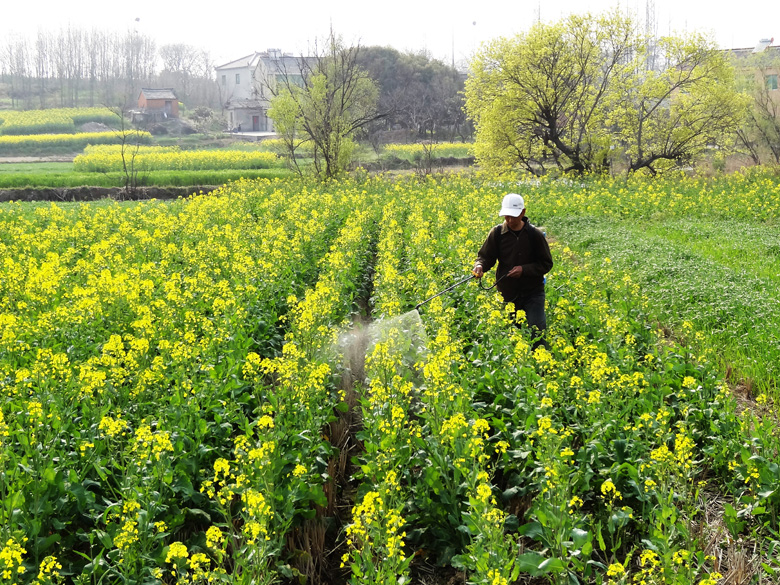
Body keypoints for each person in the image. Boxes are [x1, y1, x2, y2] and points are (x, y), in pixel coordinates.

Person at [472, 193, 553, 345]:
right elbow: (485, 256)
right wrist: (479, 266)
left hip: (532, 292)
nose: (509, 220)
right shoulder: (497, 233)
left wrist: (524, 269)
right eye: (506, 216)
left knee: (537, 332)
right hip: (508, 293)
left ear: (522, 213)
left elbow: (546, 263)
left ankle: (541, 367)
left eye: (513, 216)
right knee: (512, 335)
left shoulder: (534, 235)